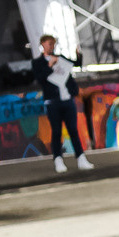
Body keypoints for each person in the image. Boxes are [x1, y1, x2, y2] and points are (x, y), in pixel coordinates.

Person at [33, 35, 92, 175]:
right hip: (52, 102)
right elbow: (40, 79)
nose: (51, 46)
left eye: (53, 44)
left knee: (73, 130)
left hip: (67, 99)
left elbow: (75, 64)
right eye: (49, 43)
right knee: (56, 131)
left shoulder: (60, 57)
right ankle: (58, 159)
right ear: (42, 44)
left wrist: (78, 55)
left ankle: (81, 158)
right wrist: (49, 65)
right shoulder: (38, 62)